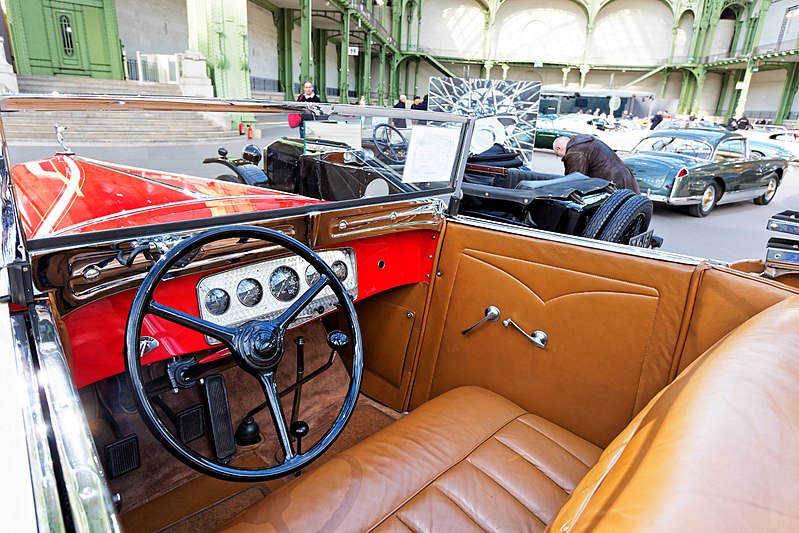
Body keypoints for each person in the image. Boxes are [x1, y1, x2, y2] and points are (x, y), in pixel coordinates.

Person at [553, 135, 640, 193]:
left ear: (559, 148)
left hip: (616, 186)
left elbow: (575, 180)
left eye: (558, 155)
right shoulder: (584, 141)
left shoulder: (575, 152)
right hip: (626, 180)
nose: (561, 158)